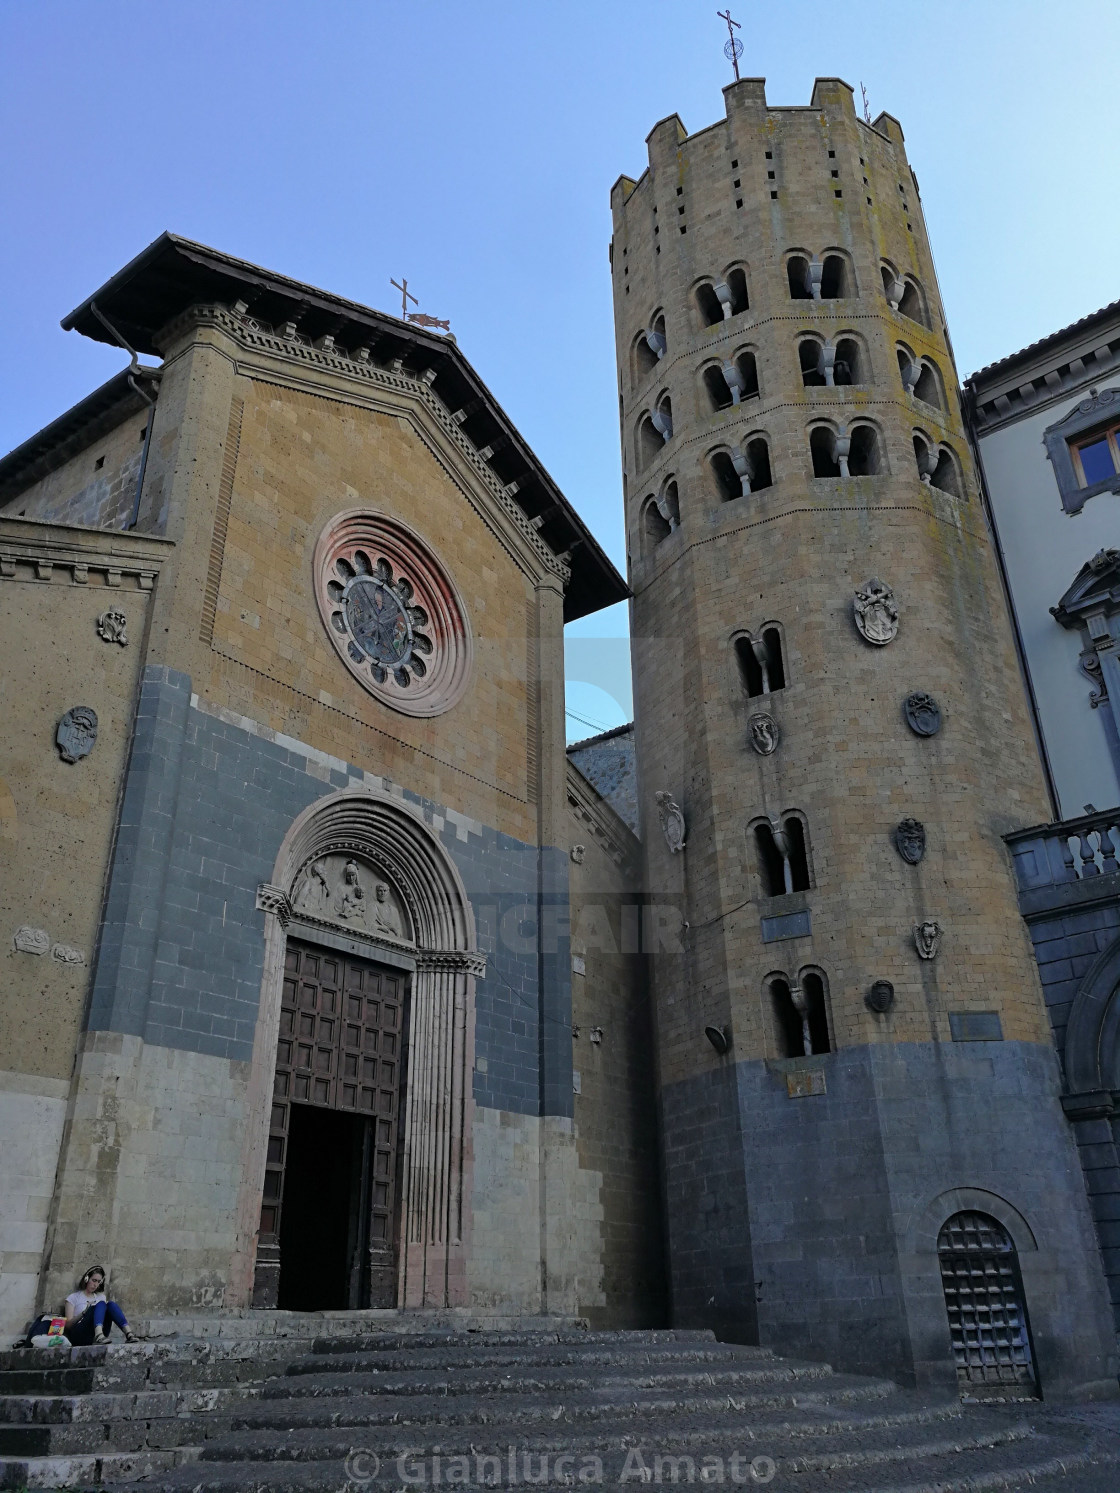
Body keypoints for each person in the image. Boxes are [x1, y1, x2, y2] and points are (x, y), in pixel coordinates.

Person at [63, 1265, 139, 1345]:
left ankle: (129, 1334)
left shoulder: (101, 1297)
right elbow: (67, 1326)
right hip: (79, 1334)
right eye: (94, 1280)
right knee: (99, 1304)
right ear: (86, 1279)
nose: (96, 1284)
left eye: (98, 1282)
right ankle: (98, 1335)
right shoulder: (73, 1297)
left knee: (110, 1304)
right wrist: (84, 1313)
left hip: (100, 1334)